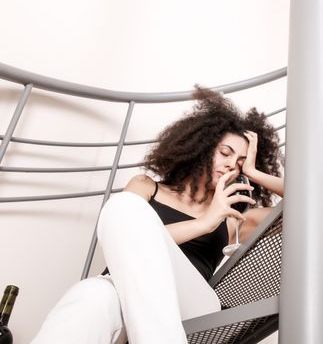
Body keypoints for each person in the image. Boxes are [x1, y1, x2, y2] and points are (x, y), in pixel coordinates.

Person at [32, 87, 284, 344]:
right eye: (225, 153)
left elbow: (314, 201)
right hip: (124, 294)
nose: (233, 164)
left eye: (242, 161)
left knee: (123, 209)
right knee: (92, 293)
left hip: (191, 307)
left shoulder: (234, 216)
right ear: (202, 147)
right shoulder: (146, 186)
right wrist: (204, 223)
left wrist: (254, 173)